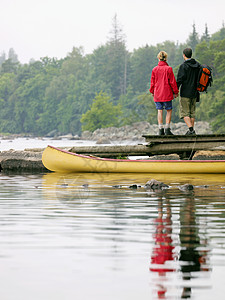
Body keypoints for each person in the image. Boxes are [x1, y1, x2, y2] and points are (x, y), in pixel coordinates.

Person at [150, 51, 179, 136]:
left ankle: (160, 129)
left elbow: (152, 83)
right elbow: (172, 82)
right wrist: (176, 92)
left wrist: (152, 91)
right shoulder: (169, 69)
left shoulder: (154, 69)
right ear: (166, 58)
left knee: (160, 110)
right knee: (169, 110)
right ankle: (167, 128)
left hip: (158, 93)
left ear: (158, 58)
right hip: (167, 93)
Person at [177, 48, 201, 135]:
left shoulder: (183, 66)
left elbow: (179, 79)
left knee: (185, 113)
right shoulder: (198, 65)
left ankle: (191, 130)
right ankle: (191, 130)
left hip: (185, 92)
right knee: (192, 113)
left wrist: (175, 91)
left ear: (184, 55)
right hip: (195, 92)